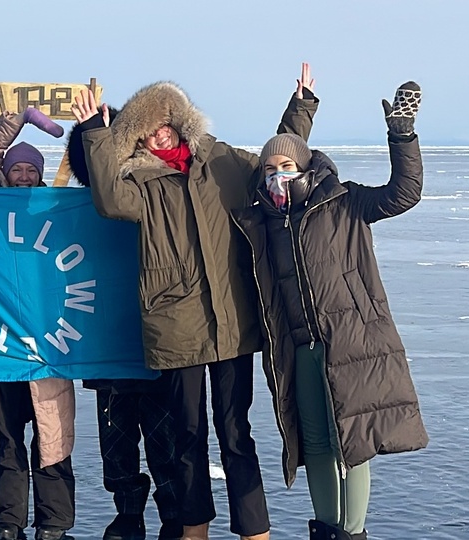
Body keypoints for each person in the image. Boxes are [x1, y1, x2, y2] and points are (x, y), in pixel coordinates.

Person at [71, 63, 319, 540]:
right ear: (139, 140)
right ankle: (194, 529)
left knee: (235, 434)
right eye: (147, 131)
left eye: (165, 124)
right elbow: (105, 199)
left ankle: (254, 531)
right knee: (185, 437)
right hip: (175, 326)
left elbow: (277, 161)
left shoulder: (223, 162)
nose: (159, 136)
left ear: (179, 123)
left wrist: (301, 108)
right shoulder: (141, 185)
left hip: (231, 321)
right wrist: (92, 133)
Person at [231, 82, 429, 540]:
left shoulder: (345, 201)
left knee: (353, 444)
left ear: (304, 168)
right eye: (269, 169)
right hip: (298, 349)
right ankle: (326, 529)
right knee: (316, 444)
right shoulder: (264, 222)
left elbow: (405, 193)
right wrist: (299, 107)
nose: (277, 175)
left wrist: (402, 136)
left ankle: (352, 532)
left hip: (351, 342)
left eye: (286, 166)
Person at [66, 110, 183, 540]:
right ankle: (128, 510)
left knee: (163, 433)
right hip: (105, 335)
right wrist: (89, 133)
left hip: (156, 333)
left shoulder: (154, 190)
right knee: (115, 436)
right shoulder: (83, 206)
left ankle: (172, 510)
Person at [0, 108, 77, 540]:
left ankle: (54, 522)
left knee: (53, 440)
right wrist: (19, 119)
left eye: (28, 168)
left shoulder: (55, 209)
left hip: (50, 344)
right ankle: (8, 522)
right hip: (4, 346)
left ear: (37, 174)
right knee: (9, 440)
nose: (20, 174)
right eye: (15, 167)